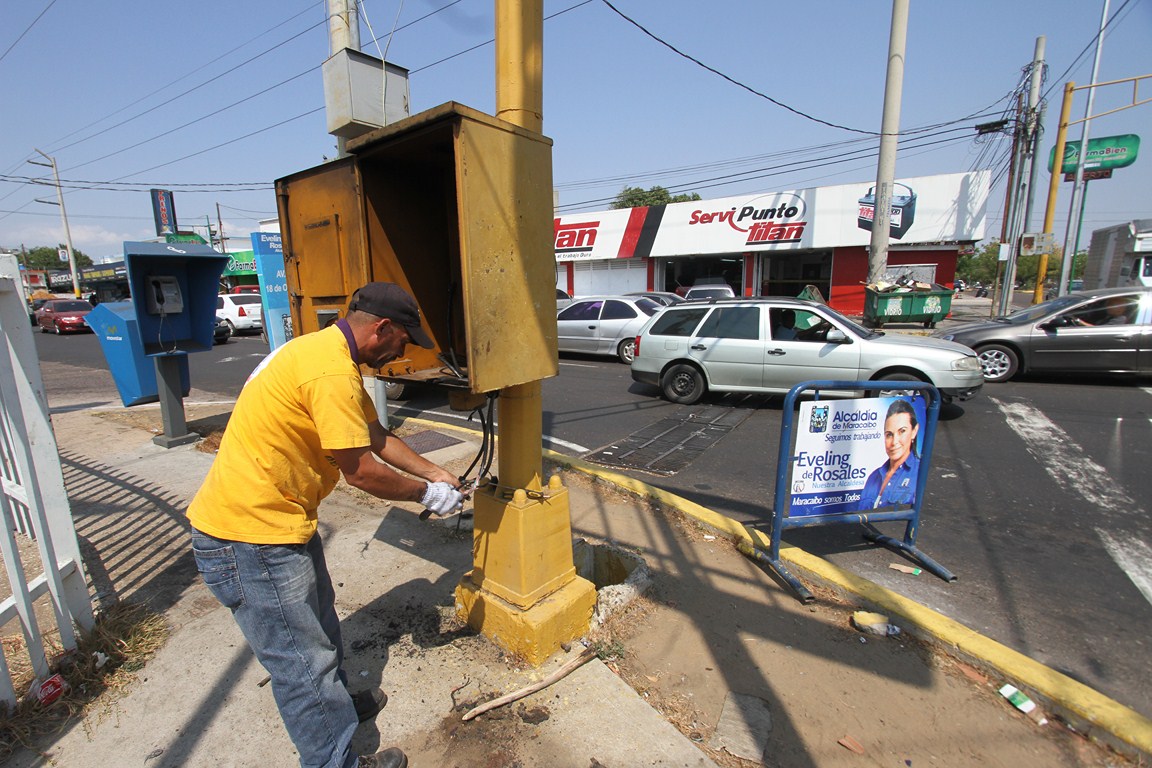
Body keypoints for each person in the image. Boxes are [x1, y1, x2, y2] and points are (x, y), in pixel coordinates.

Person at [187, 282, 465, 768]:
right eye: (404, 338)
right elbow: (361, 470)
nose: (405, 350)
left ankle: (332, 710)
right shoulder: (329, 371)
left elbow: (376, 436)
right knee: (301, 663)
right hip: (249, 537)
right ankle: (333, 759)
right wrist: (426, 495)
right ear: (382, 328)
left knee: (321, 626)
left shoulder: (325, 352)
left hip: (279, 521)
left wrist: (434, 472)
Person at [855, 399, 920, 511]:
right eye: (889, 434)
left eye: (902, 431)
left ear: (914, 431)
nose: (894, 442)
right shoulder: (873, 477)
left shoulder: (920, 472)